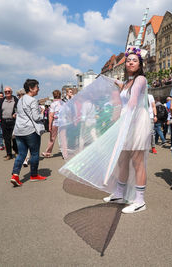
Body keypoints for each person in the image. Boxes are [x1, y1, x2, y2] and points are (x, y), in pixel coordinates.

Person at [59, 47, 151, 214]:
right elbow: (125, 90)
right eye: (129, 60)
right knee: (122, 161)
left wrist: (127, 116)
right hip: (126, 121)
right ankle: (120, 194)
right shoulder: (128, 82)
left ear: (140, 64)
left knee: (137, 162)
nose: (130, 62)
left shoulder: (140, 80)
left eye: (134, 60)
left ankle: (139, 200)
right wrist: (113, 82)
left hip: (136, 121)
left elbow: (134, 98)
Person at [10, 79, 46, 187]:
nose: (38, 89)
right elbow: (36, 117)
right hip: (30, 130)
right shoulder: (32, 100)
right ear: (31, 88)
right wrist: (42, 113)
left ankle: (15, 175)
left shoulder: (20, 100)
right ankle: (34, 175)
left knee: (21, 153)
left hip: (19, 130)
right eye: (37, 87)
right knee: (34, 153)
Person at [0, 87, 18, 160]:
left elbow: (19, 110)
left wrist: (16, 113)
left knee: (14, 138)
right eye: (6, 92)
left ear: (11, 92)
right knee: (6, 139)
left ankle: (16, 151)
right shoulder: (1, 100)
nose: (7, 92)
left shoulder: (16, 100)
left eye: (9, 91)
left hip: (13, 121)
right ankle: (9, 154)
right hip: (4, 122)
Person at [42, 90, 62, 158]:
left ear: (53, 95)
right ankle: (65, 152)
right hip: (63, 123)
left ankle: (48, 152)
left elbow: (51, 115)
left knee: (52, 138)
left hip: (55, 123)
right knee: (63, 139)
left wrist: (49, 125)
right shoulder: (64, 103)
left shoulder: (53, 104)